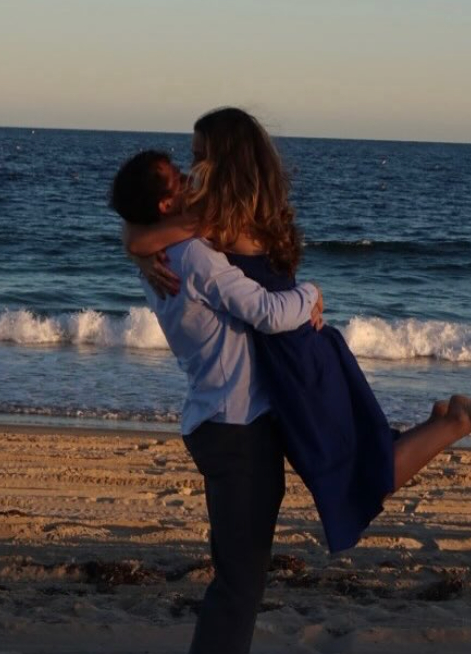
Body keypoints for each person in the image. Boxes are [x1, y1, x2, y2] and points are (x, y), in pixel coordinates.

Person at [122, 108, 471, 555]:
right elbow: (143, 230)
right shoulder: (253, 211)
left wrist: (139, 250)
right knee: (356, 458)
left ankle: (455, 421)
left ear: (226, 162)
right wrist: (139, 250)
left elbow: (145, 234)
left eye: (199, 157)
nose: (191, 170)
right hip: (304, 351)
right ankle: (446, 421)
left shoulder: (219, 223)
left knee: (350, 471)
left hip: (298, 363)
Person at [109, 147, 324, 654]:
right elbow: (269, 313)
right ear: (164, 206)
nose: (188, 179)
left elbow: (152, 230)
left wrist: (135, 243)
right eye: (177, 178)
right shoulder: (193, 257)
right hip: (238, 429)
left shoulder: (162, 256)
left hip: (215, 421)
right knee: (239, 586)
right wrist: (311, 292)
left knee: (236, 577)